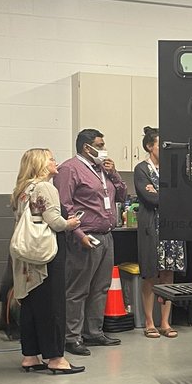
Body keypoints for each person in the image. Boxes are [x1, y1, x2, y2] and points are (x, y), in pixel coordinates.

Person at [11, 148, 84, 375]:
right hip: (47, 253)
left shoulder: (23, 190)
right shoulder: (45, 188)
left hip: (28, 255)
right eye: (51, 159)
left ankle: (30, 356)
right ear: (41, 164)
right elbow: (55, 222)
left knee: (31, 303)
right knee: (53, 305)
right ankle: (56, 358)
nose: (55, 162)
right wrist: (72, 223)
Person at [54, 129, 128, 356]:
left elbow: (122, 196)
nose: (104, 149)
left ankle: (93, 332)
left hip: (106, 235)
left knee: (100, 287)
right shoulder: (69, 169)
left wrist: (114, 173)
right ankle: (71, 337)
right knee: (78, 289)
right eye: (100, 145)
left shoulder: (102, 169)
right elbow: (64, 206)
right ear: (87, 147)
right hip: (85, 235)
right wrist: (79, 235)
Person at [133, 126, 185, 338]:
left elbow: (181, 195)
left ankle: (165, 322)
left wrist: (161, 193)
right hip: (151, 227)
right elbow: (150, 198)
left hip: (172, 227)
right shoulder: (141, 169)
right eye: (159, 145)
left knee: (168, 274)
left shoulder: (172, 169)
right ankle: (149, 322)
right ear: (149, 146)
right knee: (151, 274)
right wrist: (167, 195)